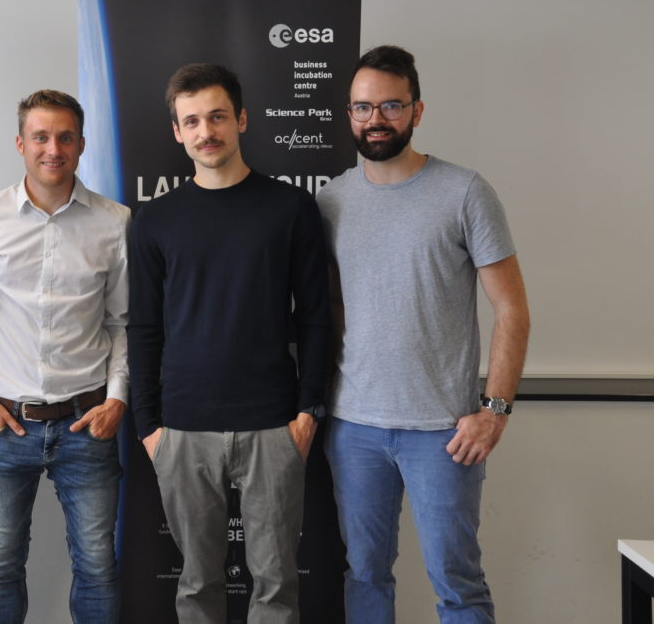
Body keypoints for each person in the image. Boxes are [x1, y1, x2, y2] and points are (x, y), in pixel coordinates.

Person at [317, 45, 530, 623]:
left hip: (444, 431)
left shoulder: (464, 192)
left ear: (417, 110)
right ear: (349, 114)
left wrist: (496, 410)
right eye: (363, 108)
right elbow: (331, 308)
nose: (375, 119)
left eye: (390, 105)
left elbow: (511, 308)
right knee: (364, 576)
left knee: (456, 583)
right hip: (354, 427)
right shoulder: (331, 200)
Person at [127, 62, 331, 623]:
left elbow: (316, 317)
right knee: (195, 584)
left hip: (274, 425)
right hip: (183, 429)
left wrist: (309, 410)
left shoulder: (290, 209)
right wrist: (149, 426)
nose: (205, 131)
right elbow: (143, 327)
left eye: (217, 117)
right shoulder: (154, 221)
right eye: (191, 121)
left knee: (276, 584)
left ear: (241, 119)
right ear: (177, 131)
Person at [0, 89, 131, 624]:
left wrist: (118, 398)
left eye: (65, 137)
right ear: (21, 144)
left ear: (80, 144)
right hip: (7, 427)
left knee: (98, 567)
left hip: (88, 424)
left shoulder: (115, 222)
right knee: (0, 565)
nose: (53, 148)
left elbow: (122, 322)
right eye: (40, 137)